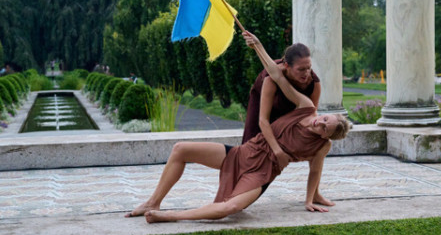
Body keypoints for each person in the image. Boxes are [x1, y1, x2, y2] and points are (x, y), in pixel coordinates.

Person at [125, 31, 351, 223]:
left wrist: (310, 199)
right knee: (180, 149)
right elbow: (276, 77)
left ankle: (168, 216)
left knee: (231, 208)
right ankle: (152, 202)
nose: (319, 123)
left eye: (324, 128)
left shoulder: (321, 142)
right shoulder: (306, 106)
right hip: (246, 153)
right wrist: (258, 45)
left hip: (263, 171)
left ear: (327, 136)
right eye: (323, 119)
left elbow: (315, 169)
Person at [242, 41, 321, 170]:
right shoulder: (271, 79)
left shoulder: (314, 83)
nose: (306, 73)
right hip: (265, 101)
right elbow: (263, 120)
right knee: (249, 150)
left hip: (290, 108)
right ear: (286, 66)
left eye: (309, 68)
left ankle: (315, 190)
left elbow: (311, 116)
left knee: (317, 143)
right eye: (301, 69)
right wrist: (277, 150)